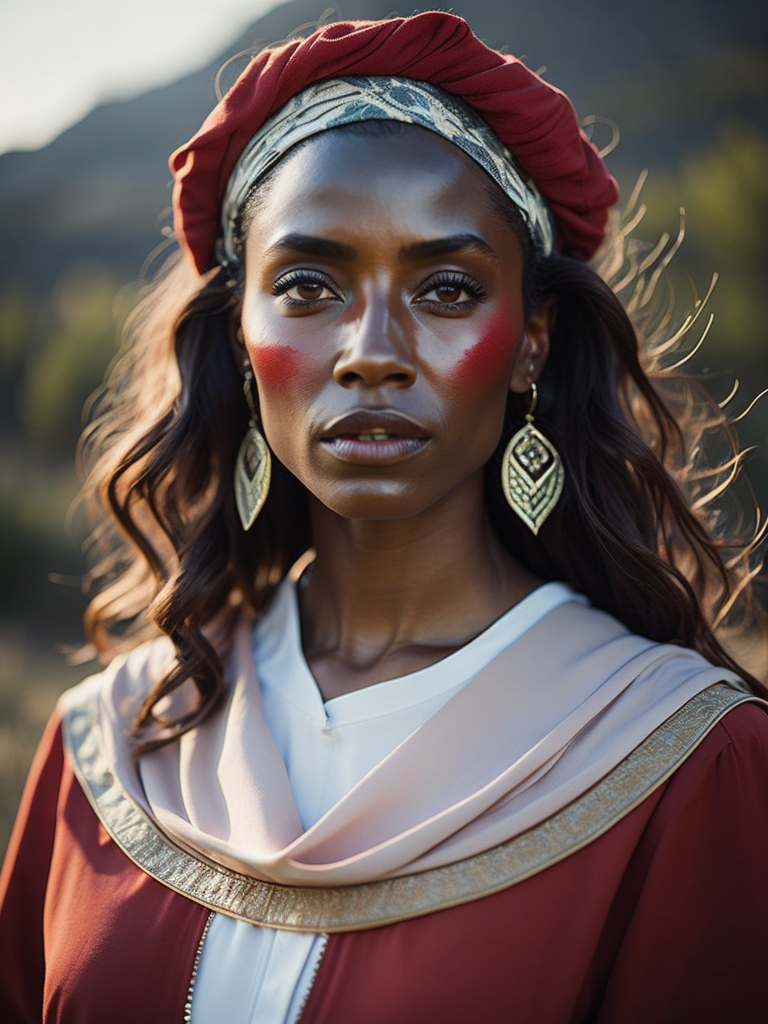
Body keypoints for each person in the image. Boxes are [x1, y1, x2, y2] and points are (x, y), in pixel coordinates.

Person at [1, 11, 767, 1023]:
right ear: (241, 337)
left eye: (446, 287)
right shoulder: (110, 743)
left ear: (531, 342)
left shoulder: (683, 761)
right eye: (308, 284)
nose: (372, 348)